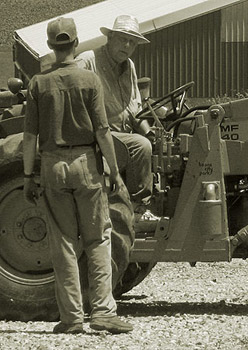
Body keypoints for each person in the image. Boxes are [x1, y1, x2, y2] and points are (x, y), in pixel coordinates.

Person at [23, 17, 133, 334]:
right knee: (98, 239)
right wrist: (112, 170)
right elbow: (102, 131)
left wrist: (29, 176)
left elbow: (30, 137)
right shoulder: (90, 80)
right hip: (87, 165)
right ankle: (102, 313)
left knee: (64, 243)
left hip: (52, 167)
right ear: (75, 44)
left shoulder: (38, 84)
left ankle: (71, 319)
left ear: (50, 46)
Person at [76, 15, 157, 218]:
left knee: (158, 142)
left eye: (132, 42)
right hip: (96, 135)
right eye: (123, 39)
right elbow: (71, 99)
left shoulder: (129, 66)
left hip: (122, 134)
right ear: (110, 37)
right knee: (141, 146)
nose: (128, 45)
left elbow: (135, 110)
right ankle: (139, 207)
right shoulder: (87, 61)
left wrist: (151, 132)